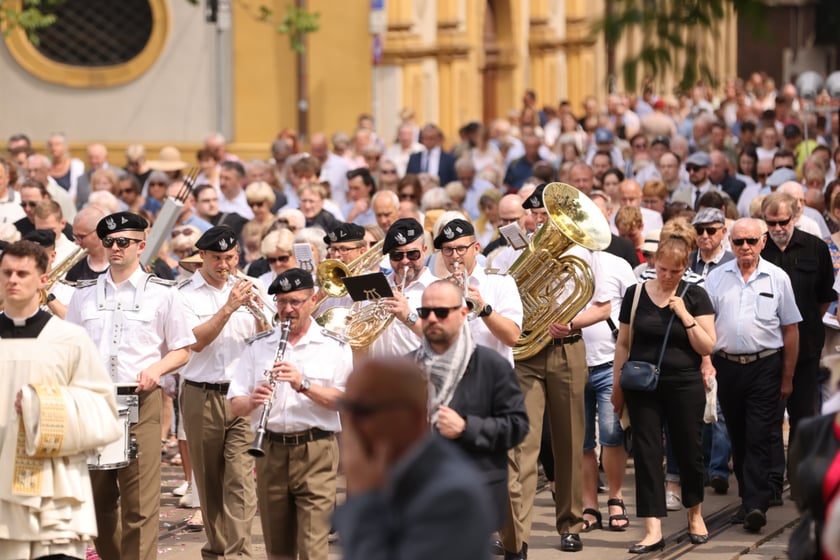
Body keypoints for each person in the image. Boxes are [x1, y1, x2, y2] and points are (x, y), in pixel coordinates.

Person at [65, 211, 196, 560]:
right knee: (100, 503)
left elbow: (182, 349)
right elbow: (69, 346)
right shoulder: (83, 294)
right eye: (109, 242)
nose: (115, 248)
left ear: (141, 245)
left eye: (123, 242)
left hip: (141, 401)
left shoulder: (163, 294)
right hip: (96, 404)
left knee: (140, 503)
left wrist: (157, 367)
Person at [0, 240, 121, 560]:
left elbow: (104, 412)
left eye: (22, 273)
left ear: (43, 280)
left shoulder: (70, 339)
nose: (12, 280)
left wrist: (44, 406)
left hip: (54, 490)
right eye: (6, 272)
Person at [229, 268, 351, 560]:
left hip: (316, 450)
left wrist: (303, 385)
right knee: (278, 548)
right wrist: (252, 401)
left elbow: (344, 401)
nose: (288, 309)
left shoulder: (334, 346)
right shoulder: (259, 346)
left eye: (296, 302)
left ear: (314, 300)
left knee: (312, 548)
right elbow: (236, 403)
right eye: (282, 302)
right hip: (270, 450)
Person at [612, 235, 717, 552]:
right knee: (646, 455)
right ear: (652, 264)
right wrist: (617, 387)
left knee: (688, 451)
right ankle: (652, 528)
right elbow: (624, 344)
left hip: (684, 384)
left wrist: (684, 315)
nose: (668, 276)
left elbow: (707, 346)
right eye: (662, 269)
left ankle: (695, 514)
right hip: (643, 386)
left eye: (675, 271)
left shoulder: (695, 295)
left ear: (685, 268)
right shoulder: (635, 294)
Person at [333, 357, 494, 560]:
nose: (351, 423)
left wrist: (364, 496)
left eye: (364, 411)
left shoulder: (450, 495)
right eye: (346, 407)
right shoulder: (388, 469)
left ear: (415, 417)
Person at [705, 218, 802, 532]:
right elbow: (705, 324)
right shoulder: (716, 278)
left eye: (750, 241)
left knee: (759, 434)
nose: (744, 248)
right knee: (738, 435)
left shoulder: (777, 278)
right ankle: (748, 499)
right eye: (738, 242)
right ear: (729, 244)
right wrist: (706, 363)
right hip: (728, 366)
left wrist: (787, 376)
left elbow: (790, 329)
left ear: (763, 242)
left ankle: (757, 504)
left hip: (765, 365)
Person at [411, 280, 528, 528]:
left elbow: (516, 426)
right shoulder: (405, 368)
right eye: (425, 312)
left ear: (463, 313)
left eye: (442, 312)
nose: (432, 319)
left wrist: (466, 427)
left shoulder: (492, 366)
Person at [177, 226, 264, 559]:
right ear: (202, 256)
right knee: (210, 483)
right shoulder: (184, 294)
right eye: (217, 258)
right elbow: (195, 341)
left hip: (241, 396)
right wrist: (228, 308)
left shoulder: (253, 287)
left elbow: (265, 339)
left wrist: (258, 313)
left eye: (230, 258)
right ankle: (216, 550)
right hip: (201, 394)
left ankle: (240, 554)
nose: (224, 265)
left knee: (242, 481)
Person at [761, 192, 836, 505]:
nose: (778, 228)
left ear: (794, 218)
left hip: (805, 349)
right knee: (769, 419)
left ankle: (798, 477)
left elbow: (823, 296)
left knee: (803, 417)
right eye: (772, 222)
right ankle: (773, 482)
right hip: (767, 349)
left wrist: (802, 327)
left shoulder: (815, 247)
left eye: (783, 221)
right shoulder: (758, 247)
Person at [433, 217, 522, 366]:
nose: (454, 256)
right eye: (448, 249)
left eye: (461, 248)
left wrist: (484, 310)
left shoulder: (500, 281)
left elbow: (513, 337)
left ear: (476, 248)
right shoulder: (436, 289)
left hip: (494, 380)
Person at [368, 218, 436, 357]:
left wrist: (408, 317)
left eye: (412, 254)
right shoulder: (376, 287)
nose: (405, 261)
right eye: (397, 255)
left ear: (424, 250)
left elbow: (449, 342)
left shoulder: (440, 290)